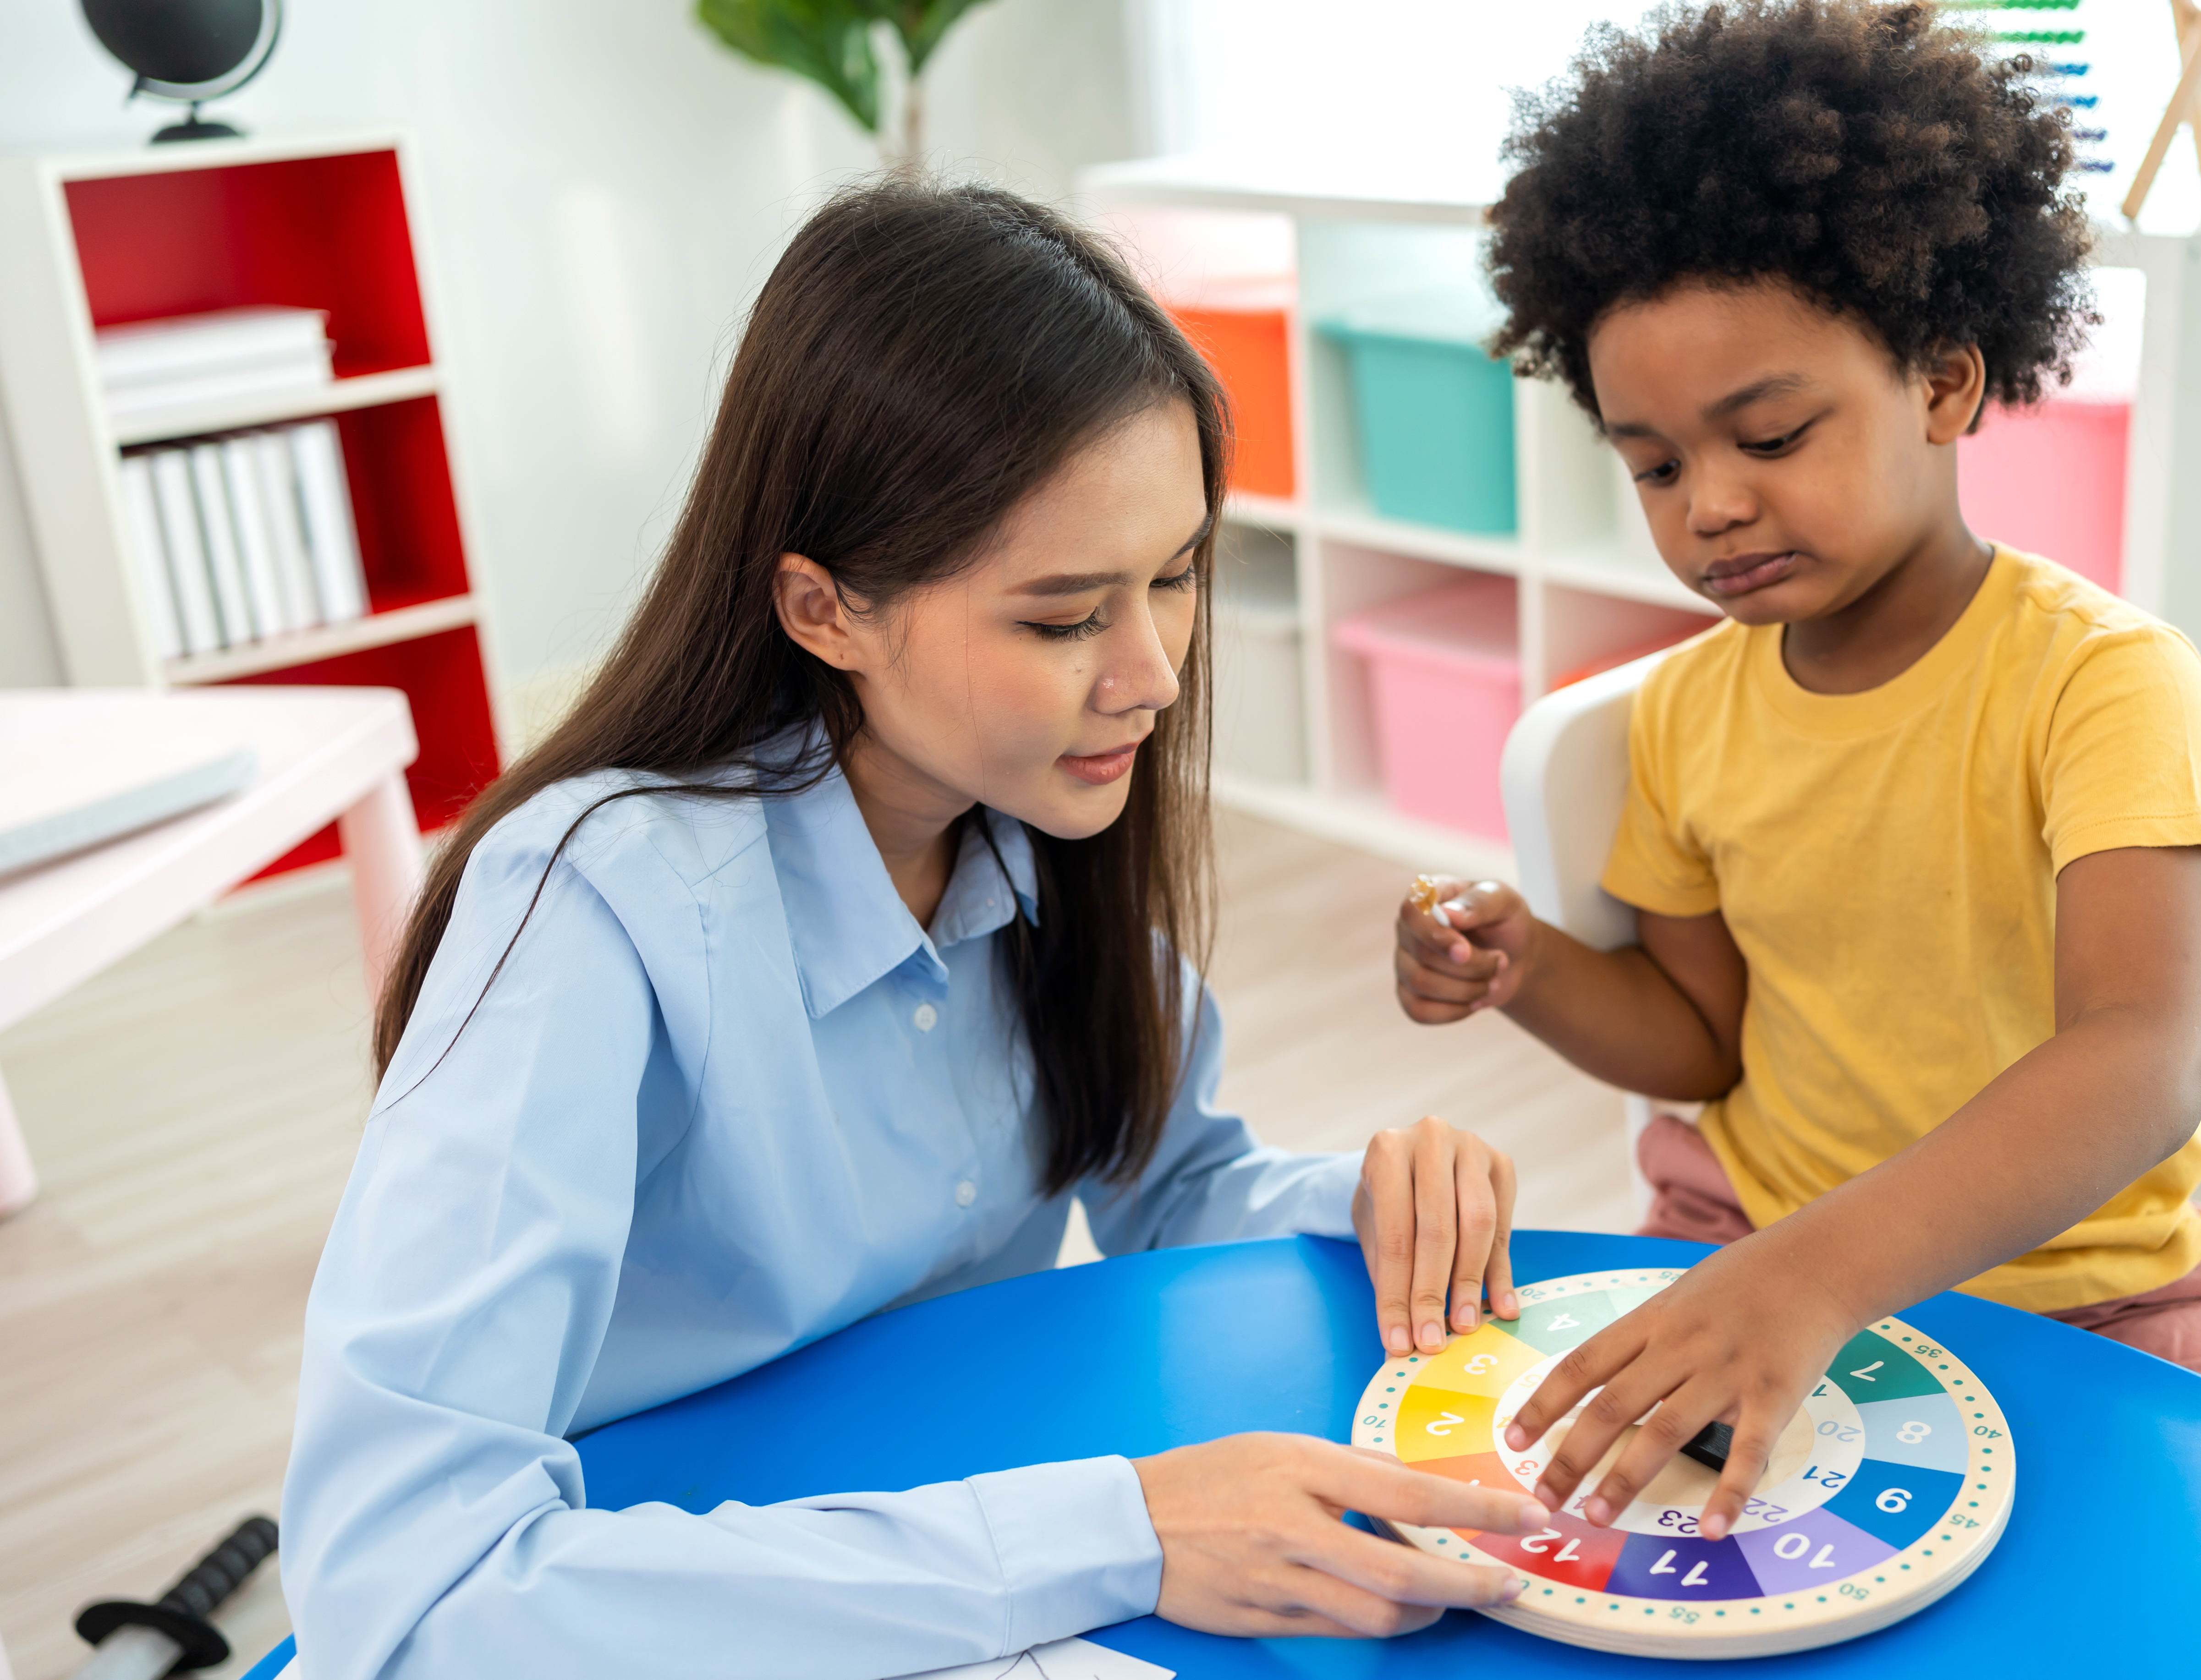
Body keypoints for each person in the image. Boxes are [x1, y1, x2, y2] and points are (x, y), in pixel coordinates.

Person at [282, 181, 1548, 1680]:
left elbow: (1174, 1186)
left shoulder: (1024, 830)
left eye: (1177, 575)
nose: (1148, 673)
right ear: (825, 608)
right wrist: (1125, 1530)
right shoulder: (589, 905)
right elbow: (410, 1587)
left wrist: (1371, 1201)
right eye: (1063, 615)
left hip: (937, 1537)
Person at [1391, 0, 2201, 1542]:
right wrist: (1526, 963)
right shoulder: (1687, 714)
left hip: (2086, 1300)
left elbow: (2139, 1056)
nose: (1709, 509)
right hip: (1740, 1251)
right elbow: (1701, 1045)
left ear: (1945, 383)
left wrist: (1820, 1270)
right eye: (1658, 465)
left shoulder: (2100, 680)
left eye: (1770, 433)